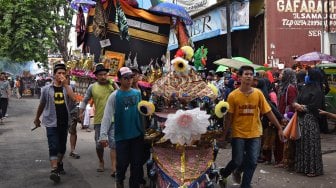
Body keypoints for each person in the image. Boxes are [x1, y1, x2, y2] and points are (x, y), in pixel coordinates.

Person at [220, 65, 284, 188]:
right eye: (246, 74)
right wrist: (224, 135)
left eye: (251, 74)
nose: (249, 76)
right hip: (238, 133)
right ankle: (224, 173)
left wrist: (279, 127)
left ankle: (245, 185)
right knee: (237, 160)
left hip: (255, 133)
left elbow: (268, 112)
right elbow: (229, 117)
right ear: (239, 77)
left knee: (252, 161)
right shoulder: (233, 96)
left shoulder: (258, 94)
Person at [100, 67, 145, 188]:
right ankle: (119, 180)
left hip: (137, 135)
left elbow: (141, 113)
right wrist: (103, 135)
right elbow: (107, 116)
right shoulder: (114, 96)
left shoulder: (137, 93)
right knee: (123, 164)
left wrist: (144, 131)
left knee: (136, 164)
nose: (129, 80)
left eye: (131, 77)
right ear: (119, 79)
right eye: (126, 78)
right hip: (122, 136)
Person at [33, 63, 77, 183]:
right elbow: (42, 104)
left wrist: (66, 85)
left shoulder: (68, 88)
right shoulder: (46, 89)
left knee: (62, 147)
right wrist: (37, 118)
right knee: (53, 146)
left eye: (63, 73)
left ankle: (59, 162)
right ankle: (54, 169)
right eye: (59, 73)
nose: (61, 75)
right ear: (54, 75)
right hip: (51, 122)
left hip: (64, 122)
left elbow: (73, 98)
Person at [79, 63, 118, 176]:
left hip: (113, 119)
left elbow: (120, 94)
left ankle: (114, 168)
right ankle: (101, 161)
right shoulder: (92, 87)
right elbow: (85, 99)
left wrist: (114, 83)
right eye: (100, 74)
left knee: (113, 143)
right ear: (96, 76)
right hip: (99, 120)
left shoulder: (111, 85)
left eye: (105, 74)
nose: (103, 77)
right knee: (99, 144)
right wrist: (81, 112)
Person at [293, 68, 324, 177]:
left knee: (311, 146)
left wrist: (303, 107)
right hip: (301, 120)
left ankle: (313, 169)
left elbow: (316, 106)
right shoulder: (304, 87)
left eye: (308, 74)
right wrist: (296, 104)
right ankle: (303, 167)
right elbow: (297, 99)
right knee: (302, 144)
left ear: (312, 76)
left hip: (311, 121)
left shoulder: (318, 90)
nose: (306, 76)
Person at [276, 68, 298, 170]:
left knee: (285, 140)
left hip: (286, 116)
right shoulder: (282, 86)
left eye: (283, 73)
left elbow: (292, 103)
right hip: (280, 114)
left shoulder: (291, 88)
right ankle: (280, 159)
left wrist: (286, 116)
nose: (280, 75)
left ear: (288, 75)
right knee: (281, 139)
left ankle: (285, 160)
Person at [67, 78, 80, 159]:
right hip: (61, 113)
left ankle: (72, 150)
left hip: (71, 111)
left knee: (73, 131)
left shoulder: (71, 86)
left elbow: (74, 100)